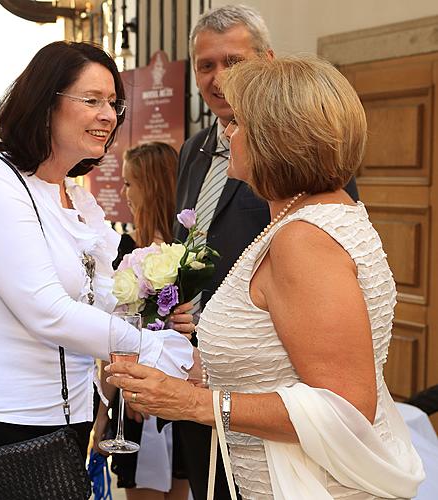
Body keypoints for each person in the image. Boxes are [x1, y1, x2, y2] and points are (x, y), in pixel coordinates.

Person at [106, 55, 425, 499]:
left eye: (237, 122)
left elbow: (346, 408)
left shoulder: (304, 239)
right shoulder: (314, 213)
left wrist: (194, 404)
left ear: (276, 138)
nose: (228, 134)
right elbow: (280, 361)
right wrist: (188, 371)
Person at [0, 41, 194, 479]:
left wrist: (160, 316)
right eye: (91, 100)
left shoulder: (72, 195)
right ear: (44, 104)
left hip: (69, 410)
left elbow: (99, 296)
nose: (108, 115)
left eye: (113, 102)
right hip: (2, 418)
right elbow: (46, 310)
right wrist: (154, 350)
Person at [172, 5, 359, 498]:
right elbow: (192, 242)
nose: (218, 79)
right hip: (196, 370)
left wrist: (220, 316)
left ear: (267, 61)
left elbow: (331, 265)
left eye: (233, 62)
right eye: (205, 65)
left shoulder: (308, 158)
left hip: (275, 390)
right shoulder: (191, 151)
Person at [93, 142, 191, 500]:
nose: (125, 194)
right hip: (131, 398)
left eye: (130, 183)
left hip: (181, 398)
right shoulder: (126, 250)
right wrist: (108, 407)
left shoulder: (187, 257)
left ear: (151, 187)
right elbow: (113, 335)